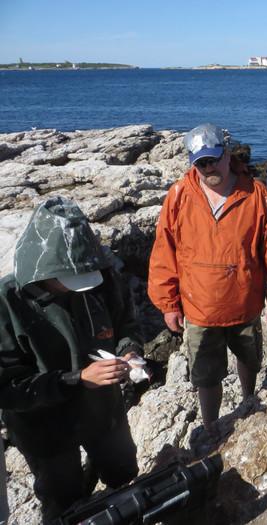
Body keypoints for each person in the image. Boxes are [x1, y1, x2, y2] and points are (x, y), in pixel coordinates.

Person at [148, 123, 267, 438]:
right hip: (199, 310)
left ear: (227, 155)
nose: (209, 168)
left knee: (250, 359)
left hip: (245, 305)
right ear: (192, 163)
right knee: (206, 375)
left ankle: (247, 399)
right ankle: (211, 425)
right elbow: (164, 252)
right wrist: (168, 304)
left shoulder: (256, 194)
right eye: (201, 163)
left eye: (214, 159)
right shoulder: (178, 196)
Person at [0, 197, 142, 522]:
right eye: (67, 281)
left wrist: (129, 352)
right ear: (42, 267)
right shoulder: (7, 303)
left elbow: (126, 324)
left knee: (122, 472)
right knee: (62, 499)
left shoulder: (100, 277)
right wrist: (77, 379)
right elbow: (7, 388)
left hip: (103, 414)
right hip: (44, 429)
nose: (79, 288)